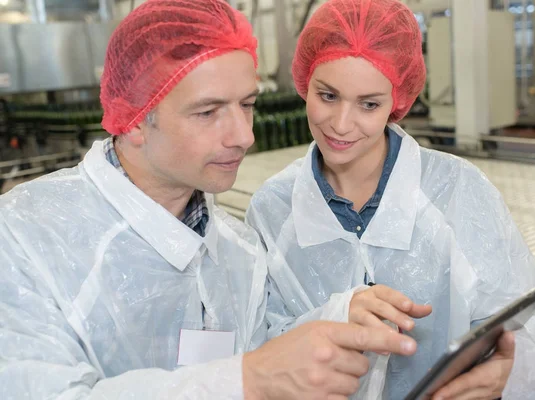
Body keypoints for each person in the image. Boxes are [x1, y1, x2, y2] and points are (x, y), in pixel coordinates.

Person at [0, 1, 417, 399]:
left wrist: (338, 317)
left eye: (247, 105)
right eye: (208, 112)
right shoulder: (24, 238)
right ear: (135, 121)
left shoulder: (240, 251)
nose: (243, 136)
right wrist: (245, 381)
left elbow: (263, 358)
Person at [245, 0, 535, 399]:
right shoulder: (272, 209)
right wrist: (334, 317)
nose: (342, 124)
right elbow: (253, 352)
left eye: (369, 104)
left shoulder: (456, 190)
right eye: (328, 96)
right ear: (305, 83)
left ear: (396, 101)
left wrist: (514, 373)